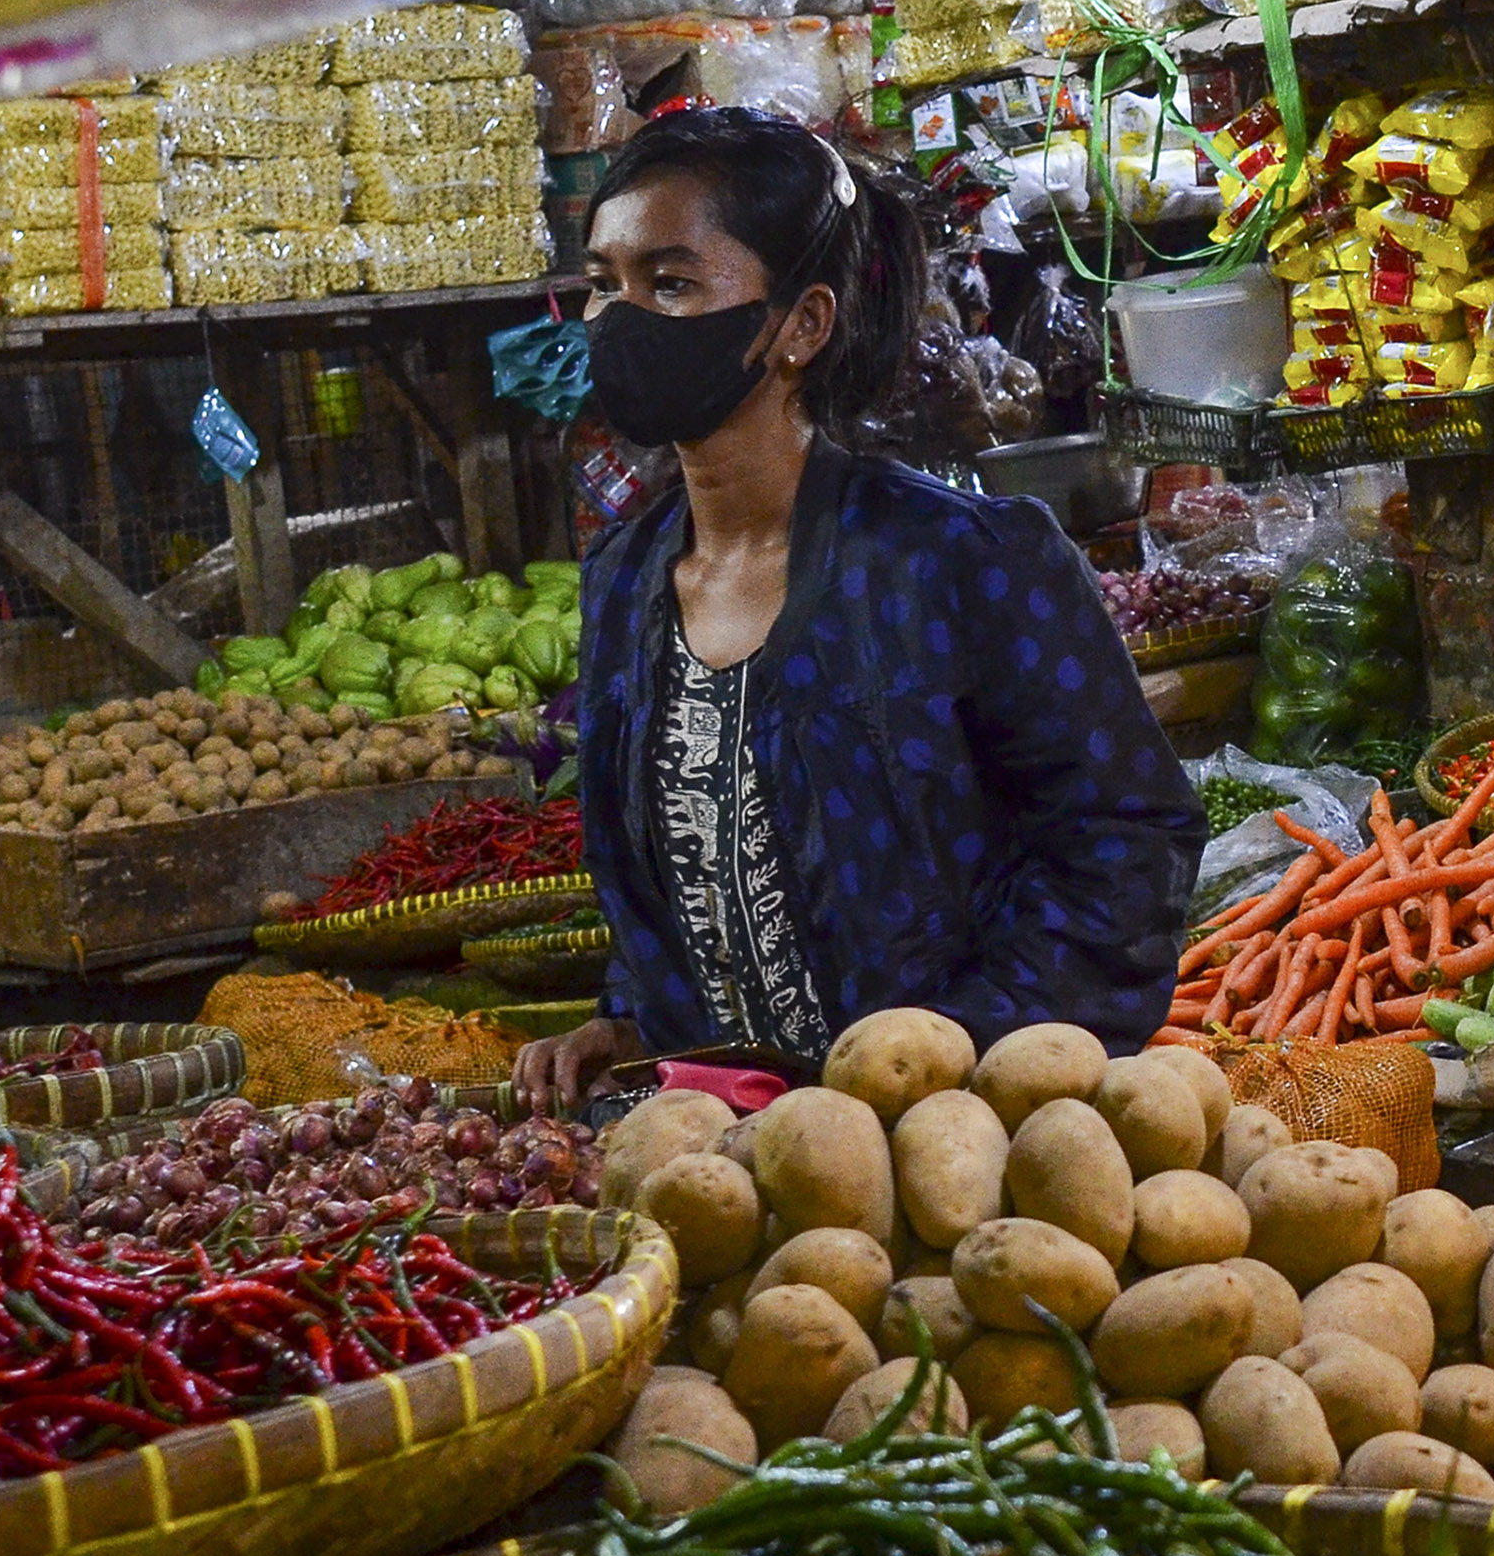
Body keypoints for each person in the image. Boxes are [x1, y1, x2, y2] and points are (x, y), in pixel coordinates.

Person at [514, 107, 1202, 1112]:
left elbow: (1124, 840)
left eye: (668, 282)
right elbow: (662, 869)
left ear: (803, 324)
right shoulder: (622, 578)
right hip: (721, 1146)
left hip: (961, 1149)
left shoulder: (960, 560)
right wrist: (629, 1018)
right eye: (602, 285)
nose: (616, 320)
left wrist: (963, 1056)